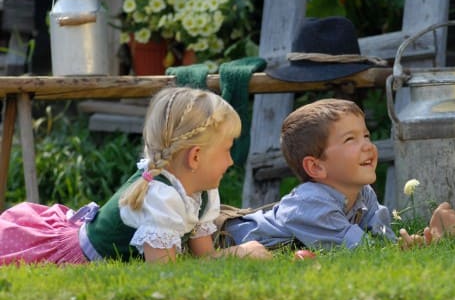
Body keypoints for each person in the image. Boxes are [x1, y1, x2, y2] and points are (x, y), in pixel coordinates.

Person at [0, 87, 271, 265]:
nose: (232, 160)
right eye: (226, 150)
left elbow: (205, 256)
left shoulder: (202, 190)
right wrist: (240, 253)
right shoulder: (161, 197)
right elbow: (165, 272)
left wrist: (237, 254)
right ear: (196, 157)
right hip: (78, 256)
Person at [220, 98, 455, 251]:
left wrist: (423, 239)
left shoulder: (363, 194)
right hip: (224, 238)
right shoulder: (311, 204)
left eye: (366, 135)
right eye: (350, 140)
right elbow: (368, 252)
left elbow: (384, 244)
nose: (368, 145)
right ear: (316, 167)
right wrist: (437, 240)